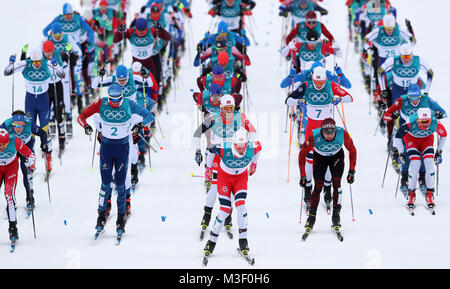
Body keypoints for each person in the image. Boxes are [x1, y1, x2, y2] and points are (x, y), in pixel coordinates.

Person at [77, 83, 154, 239]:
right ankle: (101, 216)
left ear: (122, 97)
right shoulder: (101, 103)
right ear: (108, 97)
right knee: (105, 185)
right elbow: (81, 116)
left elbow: (149, 116)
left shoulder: (128, 104)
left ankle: (120, 219)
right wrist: (85, 126)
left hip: (122, 149)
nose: (115, 103)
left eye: (118, 99)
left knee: (120, 186)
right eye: (112, 99)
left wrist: (140, 125)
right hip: (106, 148)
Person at [203, 129, 261, 263]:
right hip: (224, 178)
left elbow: (260, 148)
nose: (241, 150)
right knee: (225, 210)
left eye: (243, 147)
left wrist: (254, 165)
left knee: (241, 207)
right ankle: (211, 243)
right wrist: (209, 168)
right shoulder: (224, 148)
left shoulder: (252, 147)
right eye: (238, 147)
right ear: (233, 145)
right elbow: (210, 149)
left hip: (240, 178)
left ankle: (243, 241)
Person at [4, 48, 64, 174]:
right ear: (31, 59)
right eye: (34, 62)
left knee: (45, 130)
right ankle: (31, 160)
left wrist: (56, 65)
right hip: (30, 101)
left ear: (42, 59)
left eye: (39, 61)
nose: (37, 64)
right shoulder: (25, 64)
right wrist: (11, 64)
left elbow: (61, 74)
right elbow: (7, 72)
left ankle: (48, 158)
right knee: (30, 131)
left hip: (43, 100)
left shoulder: (46, 64)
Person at [383, 84, 446, 194]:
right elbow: (386, 115)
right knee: (407, 152)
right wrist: (392, 115)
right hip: (405, 124)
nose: (415, 101)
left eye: (417, 98)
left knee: (423, 152)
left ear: (420, 96)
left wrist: (439, 114)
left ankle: (422, 177)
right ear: (408, 96)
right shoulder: (402, 100)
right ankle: (404, 177)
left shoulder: (426, 99)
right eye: (412, 98)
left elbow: (443, 113)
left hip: (422, 126)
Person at [298, 118, 356, 238]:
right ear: (321, 131)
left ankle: (336, 216)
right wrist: (303, 175)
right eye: (326, 133)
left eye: (331, 132)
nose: (329, 135)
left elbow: (352, 150)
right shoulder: (315, 135)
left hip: (337, 158)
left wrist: (351, 171)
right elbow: (302, 154)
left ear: (335, 130)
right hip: (320, 158)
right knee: (318, 187)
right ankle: (311, 217)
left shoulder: (342, 133)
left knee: (337, 185)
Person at [393, 108, 447, 210]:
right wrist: (401, 153)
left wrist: (439, 152)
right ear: (418, 120)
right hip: (411, 139)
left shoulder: (435, 122)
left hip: (426, 139)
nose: (425, 125)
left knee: (429, 164)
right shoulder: (410, 122)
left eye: (427, 122)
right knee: (416, 164)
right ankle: (411, 194)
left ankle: (430, 194)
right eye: (422, 122)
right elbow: (397, 137)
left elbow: (444, 135)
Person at [1, 111, 48, 212]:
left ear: (24, 123)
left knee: (25, 172)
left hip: (26, 146)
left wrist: (44, 145)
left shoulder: (29, 124)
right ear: (12, 123)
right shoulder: (6, 125)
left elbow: (43, 133)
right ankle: (11, 202)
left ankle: (30, 197)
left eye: (21, 125)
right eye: (15, 125)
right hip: (12, 148)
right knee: (9, 174)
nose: (18, 129)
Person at [0, 128, 35, 244]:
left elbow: (30, 154)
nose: (2, 147)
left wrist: (30, 162)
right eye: (0, 144)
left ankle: (13, 228)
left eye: (4, 144)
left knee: (9, 196)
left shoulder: (13, 140)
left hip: (11, 168)